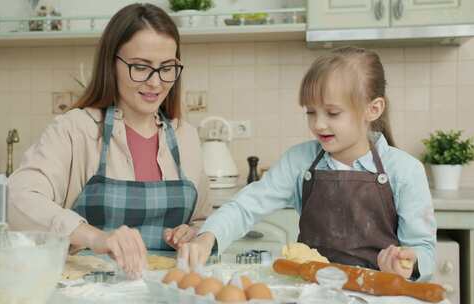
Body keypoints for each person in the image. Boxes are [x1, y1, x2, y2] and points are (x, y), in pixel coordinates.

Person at [179, 47, 437, 281]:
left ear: (373, 109)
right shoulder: (299, 161)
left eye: (332, 113)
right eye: (311, 112)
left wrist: (408, 264)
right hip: (314, 291)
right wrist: (207, 237)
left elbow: (424, 250)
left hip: (380, 294)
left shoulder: (405, 170)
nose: (318, 124)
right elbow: (245, 207)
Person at [7, 3, 212, 278]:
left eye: (167, 68)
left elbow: (203, 221)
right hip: (86, 292)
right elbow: (19, 200)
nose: (156, 83)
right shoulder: (74, 129)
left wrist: (193, 233)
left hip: (165, 290)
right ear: (111, 64)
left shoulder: (185, 136)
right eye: (140, 67)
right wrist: (96, 238)